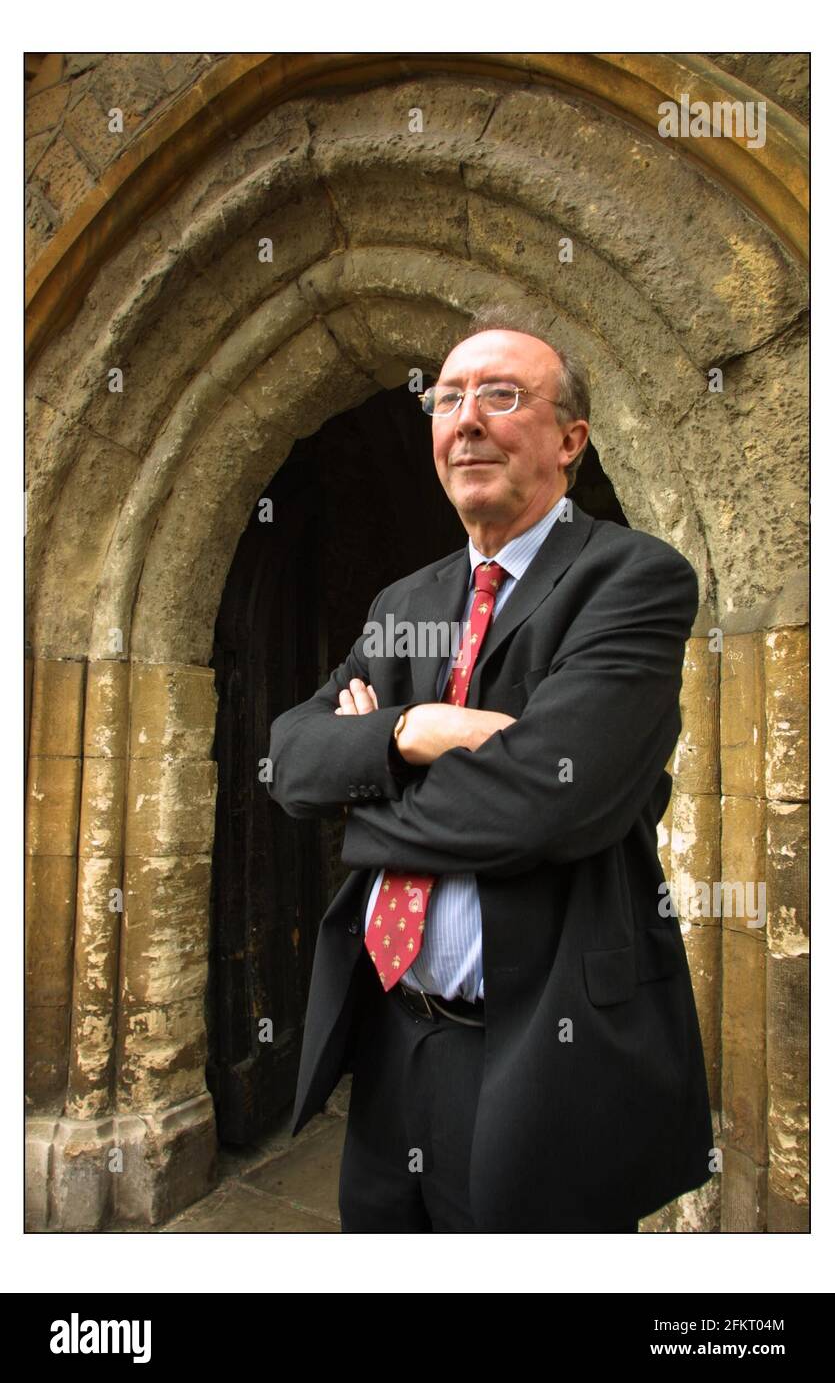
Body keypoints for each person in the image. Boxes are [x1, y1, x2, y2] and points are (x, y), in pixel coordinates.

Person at [265, 317, 715, 1233]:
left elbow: (548, 802)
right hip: (392, 1037)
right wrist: (418, 730)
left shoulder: (631, 580)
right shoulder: (407, 601)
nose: (465, 420)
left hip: (544, 1055)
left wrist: (366, 798)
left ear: (569, 440)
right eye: (447, 397)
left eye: (501, 395)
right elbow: (289, 759)